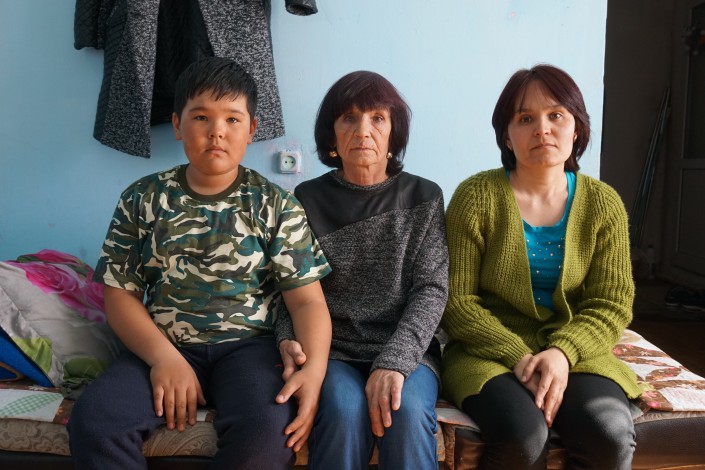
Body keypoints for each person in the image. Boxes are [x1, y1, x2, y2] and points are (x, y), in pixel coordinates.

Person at [67, 57, 332, 469]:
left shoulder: (276, 205)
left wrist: (313, 372)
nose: (217, 131)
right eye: (201, 117)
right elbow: (120, 296)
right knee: (95, 422)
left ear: (252, 130)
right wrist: (163, 358)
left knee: (267, 432)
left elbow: (308, 302)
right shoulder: (143, 198)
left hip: (249, 350)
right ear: (177, 125)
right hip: (163, 342)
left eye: (232, 119)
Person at [441, 64, 642, 470]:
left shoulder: (603, 204)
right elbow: (456, 301)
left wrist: (562, 353)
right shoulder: (475, 197)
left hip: (577, 353)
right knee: (523, 437)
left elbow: (611, 303)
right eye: (525, 119)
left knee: (608, 435)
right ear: (506, 136)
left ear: (577, 129)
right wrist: (517, 354)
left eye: (556, 116)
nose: (542, 129)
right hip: (488, 351)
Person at [276, 71, 448, 470]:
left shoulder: (424, 197)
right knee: (343, 411)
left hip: (408, 350)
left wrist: (395, 362)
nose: (363, 131)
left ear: (393, 134)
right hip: (333, 350)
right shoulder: (307, 198)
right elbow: (291, 289)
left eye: (377, 119)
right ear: (332, 135)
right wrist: (287, 340)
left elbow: (432, 289)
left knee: (405, 412)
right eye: (349, 118)